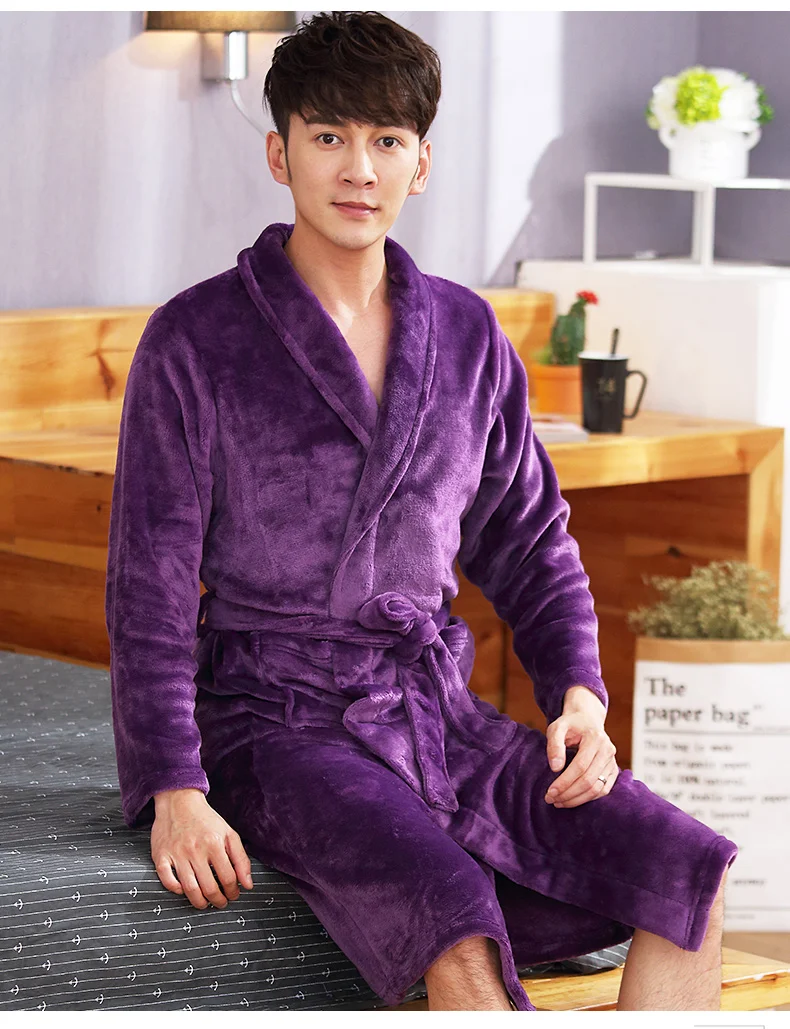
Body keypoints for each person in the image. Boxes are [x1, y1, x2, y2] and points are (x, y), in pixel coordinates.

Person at [105, 11, 738, 1012]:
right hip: (273, 724)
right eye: (329, 136)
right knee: (455, 923)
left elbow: (529, 541)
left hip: (432, 712)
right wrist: (174, 790)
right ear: (280, 154)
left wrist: (579, 695)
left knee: (688, 874)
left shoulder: (468, 333)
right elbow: (148, 588)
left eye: (388, 140)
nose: (359, 169)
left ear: (422, 163)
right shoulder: (196, 340)